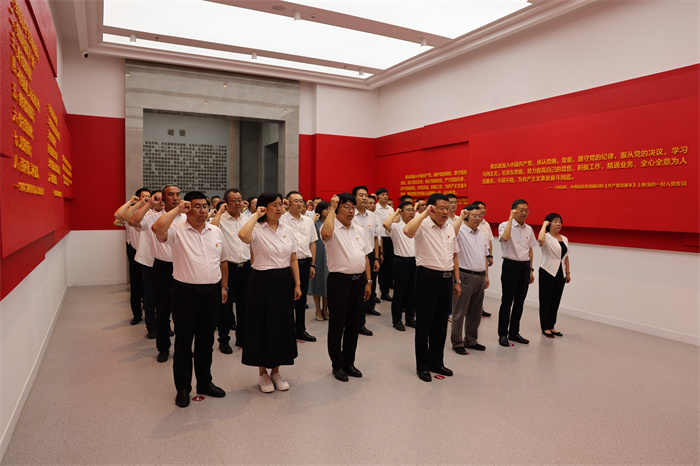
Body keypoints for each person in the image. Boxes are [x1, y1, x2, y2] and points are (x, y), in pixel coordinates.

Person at [152, 191, 231, 408]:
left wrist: (224, 287)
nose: (202, 210)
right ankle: (183, 388)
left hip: (212, 292)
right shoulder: (177, 230)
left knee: (206, 341)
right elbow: (157, 228)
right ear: (187, 209)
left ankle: (204, 382)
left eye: (205, 206)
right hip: (185, 292)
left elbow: (224, 261)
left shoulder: (216, 231)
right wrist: (177, 210)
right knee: (184, 342)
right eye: (197, 206)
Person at [238, 192, 301, 393]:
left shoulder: (287, 229)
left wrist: (297, 284)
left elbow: (293, 259)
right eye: (274, 205)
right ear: (264, 207)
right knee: (261, 325)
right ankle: (262, 373)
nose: (280, 208)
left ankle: (276, 371)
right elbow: (243, 236)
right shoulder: (256, 228)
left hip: (283, 280)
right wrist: (256, 215)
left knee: (282, 325)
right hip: (261, 281)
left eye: (281, 204)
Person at [404, 193, 460, 382]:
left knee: (441, 324)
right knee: (424, 324)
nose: (445, 212)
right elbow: (407, 231)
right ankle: (422, 366)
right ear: (432, 208)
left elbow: (454, 255)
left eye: (448, 208)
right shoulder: (423, 225)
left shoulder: (450, 228)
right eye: (441, 208)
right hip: (427, 278)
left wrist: (457, 281)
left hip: (446, 279)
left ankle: (437, 361)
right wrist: (424, 213)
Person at [321, 193, 372, 382]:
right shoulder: (331, 227)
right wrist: (332, 209)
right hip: (339, 281)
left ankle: (349, 362)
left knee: (353, 324)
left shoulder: (359, 229)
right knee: (337, 324)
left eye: (353, 207)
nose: (351, 211)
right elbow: (325, 235)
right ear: (338, 208)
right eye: (346, 207)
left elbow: (365, 256)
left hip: (358, 281)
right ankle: (337, 365)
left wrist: (368, 281)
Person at [211, 188, 252, 353]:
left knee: (245, 305)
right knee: (225, 307)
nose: (237, 203)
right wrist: (219, 213)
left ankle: (242, 337)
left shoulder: (247, 219)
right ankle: (223, 339)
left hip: (246, 267)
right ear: (225, 203)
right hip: (228, 268)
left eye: (239, 200)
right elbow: (211, 232)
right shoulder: (220, 220)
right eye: (233, 201)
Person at [150, 185, 186, 362]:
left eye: (178, 194)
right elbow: (132, 220)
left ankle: (182, 348)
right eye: (171, 195)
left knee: (184, 312)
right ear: (163, 198)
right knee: (163, 310)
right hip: (163, 268)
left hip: (183, 266)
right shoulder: (155, 217)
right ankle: (163, 347)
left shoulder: (187, 217)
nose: (175, 197)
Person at [498, 199, 538, 347]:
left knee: (520, 302)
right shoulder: (504, 225)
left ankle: (514, 332)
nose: (524, 213)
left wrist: (531, 269)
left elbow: (530, 250)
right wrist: (510, 219)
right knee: (507, 301)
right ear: (513, 211)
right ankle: (503, 334)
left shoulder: (529, 229)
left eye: (526, 210)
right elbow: (505, 237)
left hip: (524, 267)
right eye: (521, 210)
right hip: (510, 266)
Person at [451, 204, 490, 354]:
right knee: (459, 312)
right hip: (464, 276)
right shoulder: (460, 231)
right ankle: (457, 342)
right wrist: (460, 218)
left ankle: (471, 340)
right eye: (474, 215)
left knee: (476, 312)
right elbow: (451, 234)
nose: (478, 218)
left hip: (480, 276)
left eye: (480, 215)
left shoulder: (480, 234)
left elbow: (485, 256)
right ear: (466, 216)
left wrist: (486, 276)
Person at [128, 190, 166, 339]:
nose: (160, 201)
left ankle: (165, 324)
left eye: (163, 198)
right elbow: (130, 219)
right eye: (157, 198)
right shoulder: (147, 214)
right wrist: (147, 204)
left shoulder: (169, 215)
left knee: (165, 296)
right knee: (150, 294)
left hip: (165, 261)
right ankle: (151, 325)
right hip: (148, 260)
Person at [281, 191, 318, 342]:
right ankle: (287, 331)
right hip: (286, 264)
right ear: (288, 203)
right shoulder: (282, 219)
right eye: (295, 201)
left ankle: (301, 330)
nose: (299, 204)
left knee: (302, 299)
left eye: (301, 201)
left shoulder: (308, 221)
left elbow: (312, 243)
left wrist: (312, 264)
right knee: (287, 299)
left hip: (305, 263)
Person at [114, 188, 150, 325]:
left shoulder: (151, 212)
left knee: (148, 285)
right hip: (134, 251)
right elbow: (118, 215)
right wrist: (131, 202)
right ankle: (137, 314)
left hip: (148, 252)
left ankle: (149, 312)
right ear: (138, 198)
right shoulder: (131, 213)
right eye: (144, 196)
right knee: (135, 285)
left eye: (149, 196)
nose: (146, 198)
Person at [351, 185, 381, 335]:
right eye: (361, 195)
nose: (364, 198)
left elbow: (375, 238)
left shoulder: (373, 217)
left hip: (368, 256)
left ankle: (360, 323)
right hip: (353, 256)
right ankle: (350, 323)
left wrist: (376, 258)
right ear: (354, 197)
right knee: (353, 291)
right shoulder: (350, 214)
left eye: (366, 195)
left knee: (367, 289)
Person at [382, 200, 416, 331]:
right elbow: (386, 224)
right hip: (401, 261)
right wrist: (396, 211)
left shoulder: (416, 226)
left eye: (412, 210)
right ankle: (396, 320)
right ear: (401, 212)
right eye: (408, 210)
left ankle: (410, 318)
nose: (411, 212)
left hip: (415, 261)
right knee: (399, 292)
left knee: (412, 292)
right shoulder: (396, 227)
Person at [537, 213, 571, 338]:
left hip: (560, 273)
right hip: (547, 271)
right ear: (549, 224)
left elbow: (566, 257)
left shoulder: (564, 238)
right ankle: (545, 327)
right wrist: (543, 225)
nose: (558, 224)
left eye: (560, 221)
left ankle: (551, 325)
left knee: (555, 300)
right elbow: (540, 240)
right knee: (545, 300)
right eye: (555, 221)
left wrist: (568, 272)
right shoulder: (545, 237)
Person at [309, 201, 330, 321]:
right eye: (326, 209)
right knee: (317, 282)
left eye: (329, 209)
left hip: (329, 255)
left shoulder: (331, 224)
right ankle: (318, 309)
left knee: (327, 283)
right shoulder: (315, 223)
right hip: (317, 255)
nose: (328, 211)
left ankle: (325, 309)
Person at [473, 200, 494, 317]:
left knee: (483, 284)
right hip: (474, 257)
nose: (482, 210)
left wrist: (490, 255)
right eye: (480, 208)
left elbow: (490, 241)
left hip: (485, 257)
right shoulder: (472, 224)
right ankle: (471, 309)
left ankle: (479, 308)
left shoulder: (486, 224)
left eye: (483, 208)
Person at [375, 188, 395, 302]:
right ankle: (375, 293)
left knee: (389, 267)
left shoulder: (390, 209)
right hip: (379, 239)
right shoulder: (375, 208)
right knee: (380, 267)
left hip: (390, 238)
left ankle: (385, 292)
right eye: (382, 195)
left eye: (386, 195)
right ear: (377, 196)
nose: (385, 197)